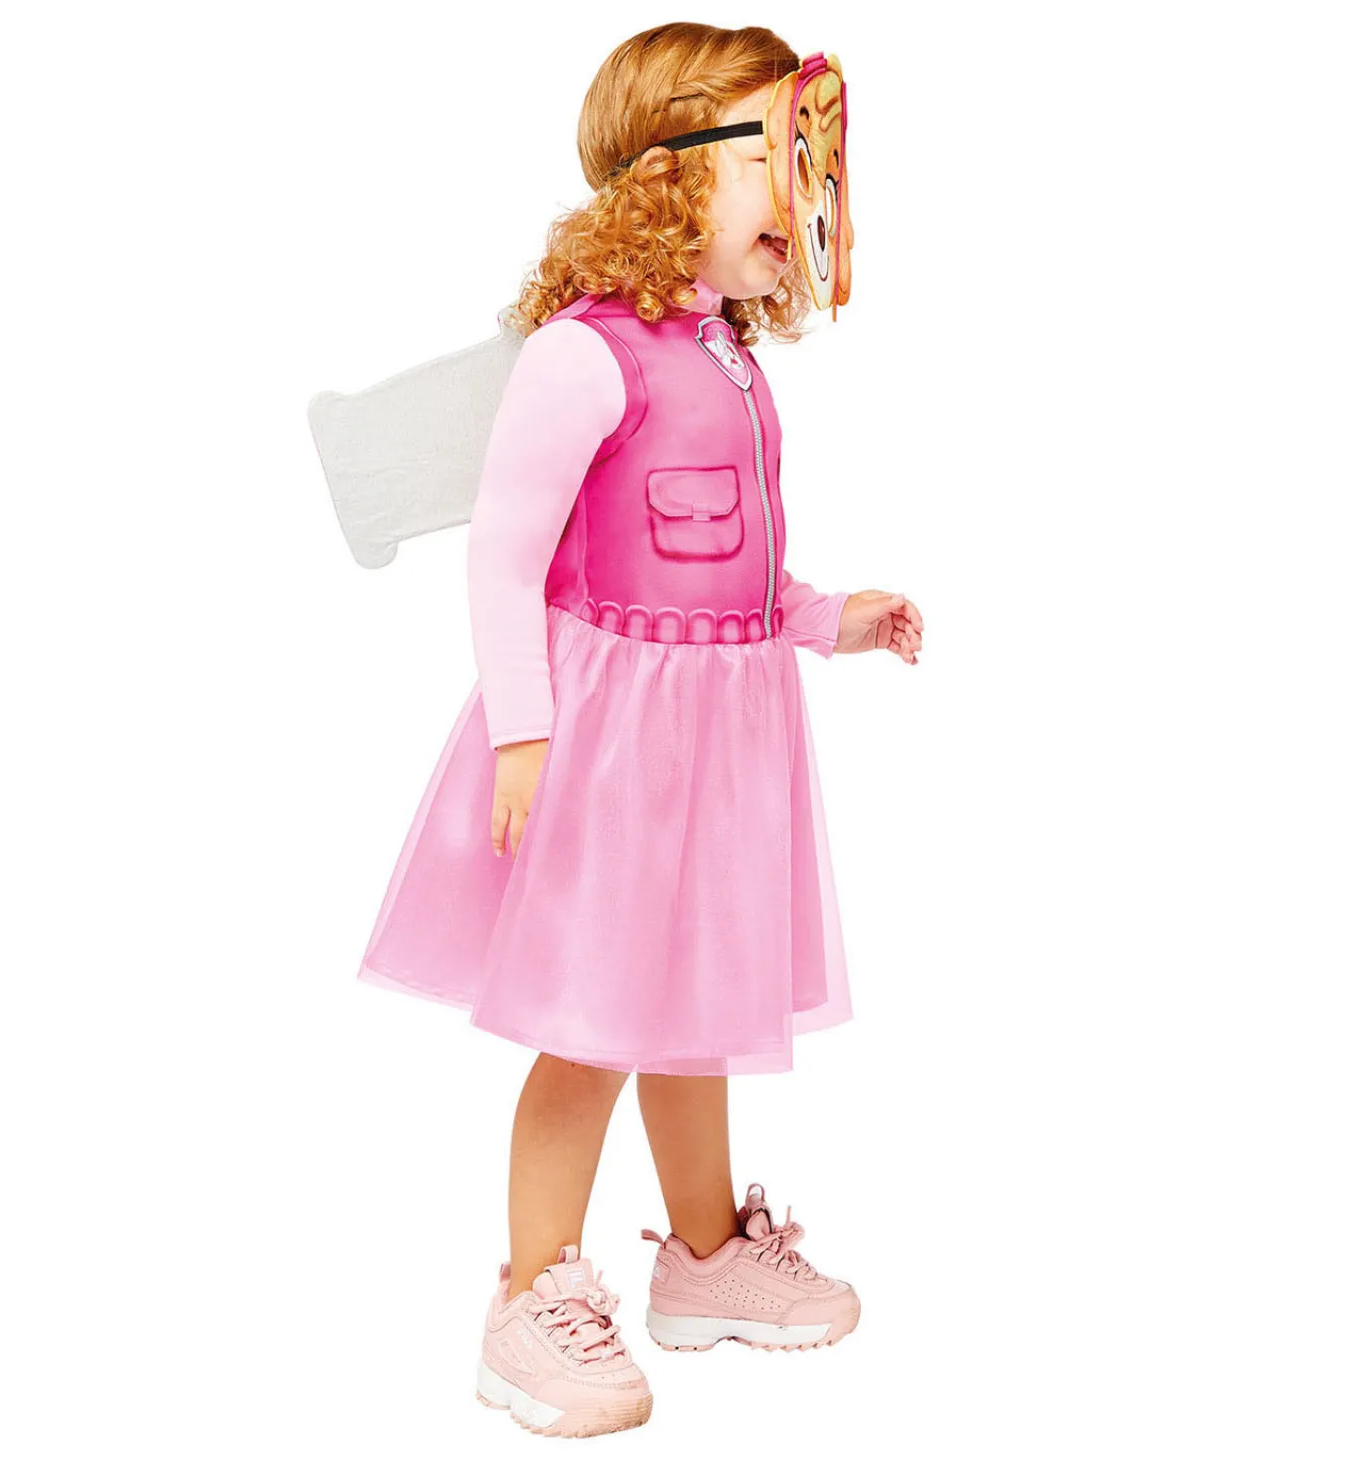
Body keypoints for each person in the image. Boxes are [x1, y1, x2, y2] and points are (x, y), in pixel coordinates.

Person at [358, 23, 923, 1439]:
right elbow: (505, 556)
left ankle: (707, 1258)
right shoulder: (585, 355)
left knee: (702, 1005)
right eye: (779, 159)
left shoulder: (727, 357)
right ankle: (530, 1299)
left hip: (724, 737)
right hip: (612, 746)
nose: (805, 199)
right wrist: (524, 732)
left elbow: (734, 563)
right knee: (592, 1021)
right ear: (674, 172)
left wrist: (828, 618)